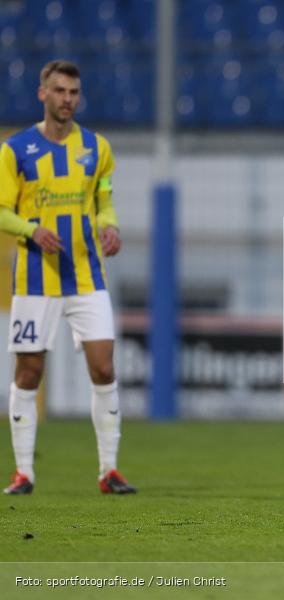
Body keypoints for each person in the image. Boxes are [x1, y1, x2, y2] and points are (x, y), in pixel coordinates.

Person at [0, 60, 135, 495]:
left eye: (73, 92)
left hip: (86, 276)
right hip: (35, 279)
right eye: (59, 91)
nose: (67, 99)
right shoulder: (15, 150)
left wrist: (110, 224)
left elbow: (104, 200)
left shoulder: (97, 148)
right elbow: (2, 210)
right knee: (28, 372)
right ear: (43, 94)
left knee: (104, 366)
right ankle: (23, 473)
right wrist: (30, 230)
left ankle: (109, 471)